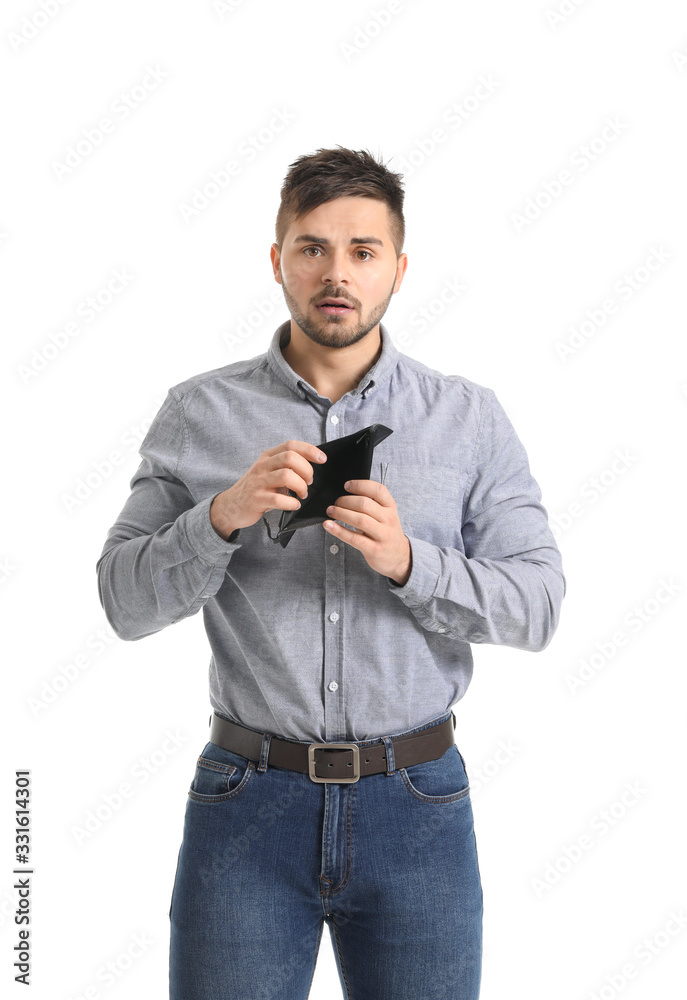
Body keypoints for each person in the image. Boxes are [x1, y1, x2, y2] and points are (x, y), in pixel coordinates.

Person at [96, 145, 566, 1000]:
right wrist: (219, 518)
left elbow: (537, 606)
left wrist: (409, 563)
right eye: (311, 247)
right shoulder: (199, 413)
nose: (335, 273)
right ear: (277, 262)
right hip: (246, 806)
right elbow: (122, 602)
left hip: (418, 808)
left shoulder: (466, 419)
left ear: (398, 268)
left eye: (362, 250)